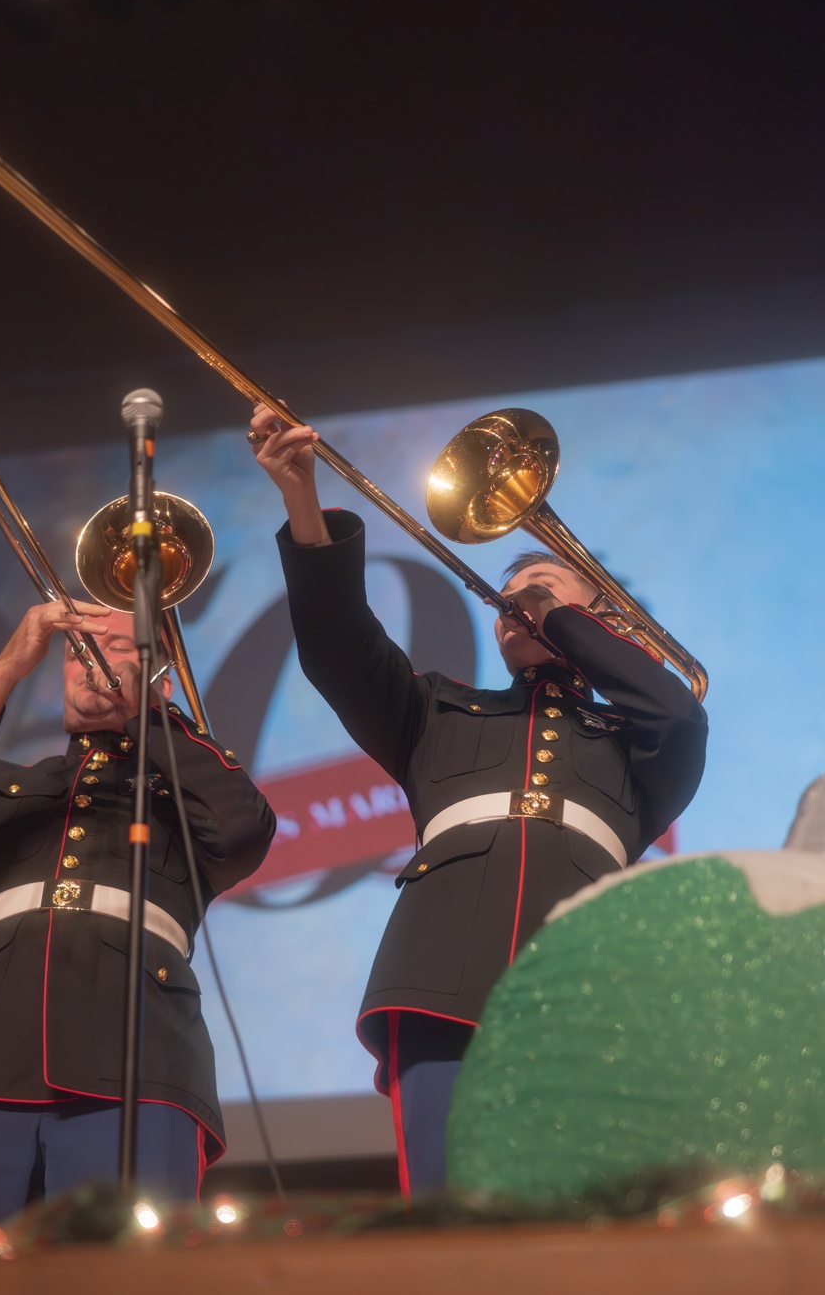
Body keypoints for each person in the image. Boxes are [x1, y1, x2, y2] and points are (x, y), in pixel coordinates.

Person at [247, 403, 708, 1196]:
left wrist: (560, 614)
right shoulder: (436, 713)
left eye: (542, 586)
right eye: (507, 594)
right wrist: (301, 502)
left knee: (582, 1218)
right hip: (438, 981)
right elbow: (337, 645)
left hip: (588, 986)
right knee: (445, 1211)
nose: (515, 601)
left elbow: (676, 710)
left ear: (599, 616)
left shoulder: (635, 740)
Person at [0, 599, 275, 1220]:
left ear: (161, 682)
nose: (92, 660)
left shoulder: (179, 796)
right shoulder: (4, 784)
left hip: (139, 1061)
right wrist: (13, 662)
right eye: (77, 652)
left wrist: (149, 719)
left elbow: (242, 831)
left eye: (120, 647)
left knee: (126, 1274)